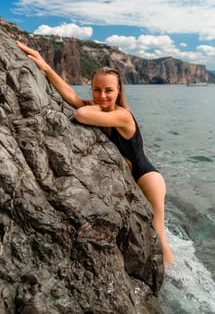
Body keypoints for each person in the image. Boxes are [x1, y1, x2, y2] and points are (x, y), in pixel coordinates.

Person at [16, 41, 173, 264]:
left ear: (118, 91)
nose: (102, 96)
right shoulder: (102, 108)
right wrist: (45, 66)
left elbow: (81, 114)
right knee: (148, 233)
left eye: (109, 90)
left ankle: (172, 274)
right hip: (134, 178)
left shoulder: (122, 115)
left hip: (148, 179)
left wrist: (89, 105)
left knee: (159, 235)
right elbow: (71, 96)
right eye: (96, 90)